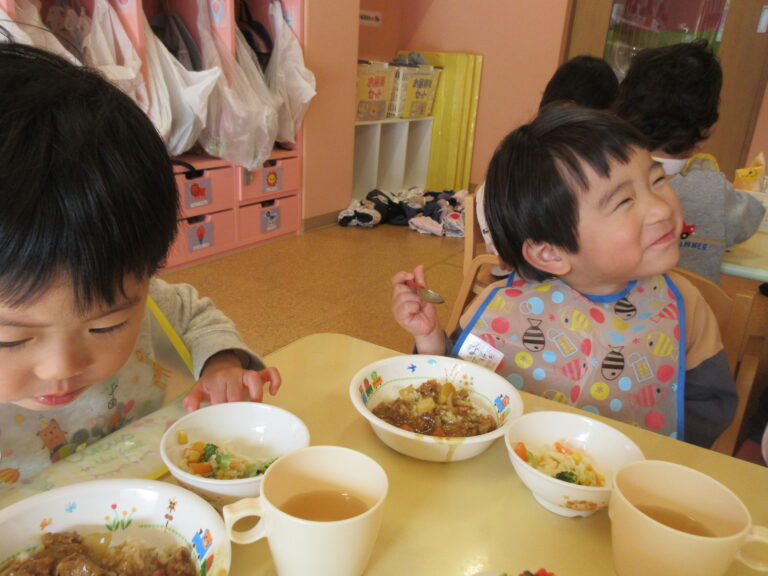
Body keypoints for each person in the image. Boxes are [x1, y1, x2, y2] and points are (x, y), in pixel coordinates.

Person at [0, 40, 280, 489]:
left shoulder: (143, 301)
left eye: (105, 326)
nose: (61, 367)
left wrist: (221, 363)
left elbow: (190, 312)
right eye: (9, 339)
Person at [392, 105, 737, 448]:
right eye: (624, 201)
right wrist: (431, 341)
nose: (661, 208)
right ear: (550, 253)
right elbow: (459, 385)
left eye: (657, 180)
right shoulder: (502, 307)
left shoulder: (683, 305)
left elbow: (709, 408)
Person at [614, 39, 765, 285]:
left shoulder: (601, 175)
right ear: (705, 133)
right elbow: (750, 219)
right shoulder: (713, 188)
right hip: (688, 317)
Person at [476, 55, 619, 277]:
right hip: (524, 276)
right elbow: (510, 251)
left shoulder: (573, 163)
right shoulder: (529, 160)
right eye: (595, 122)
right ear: (568, 108)